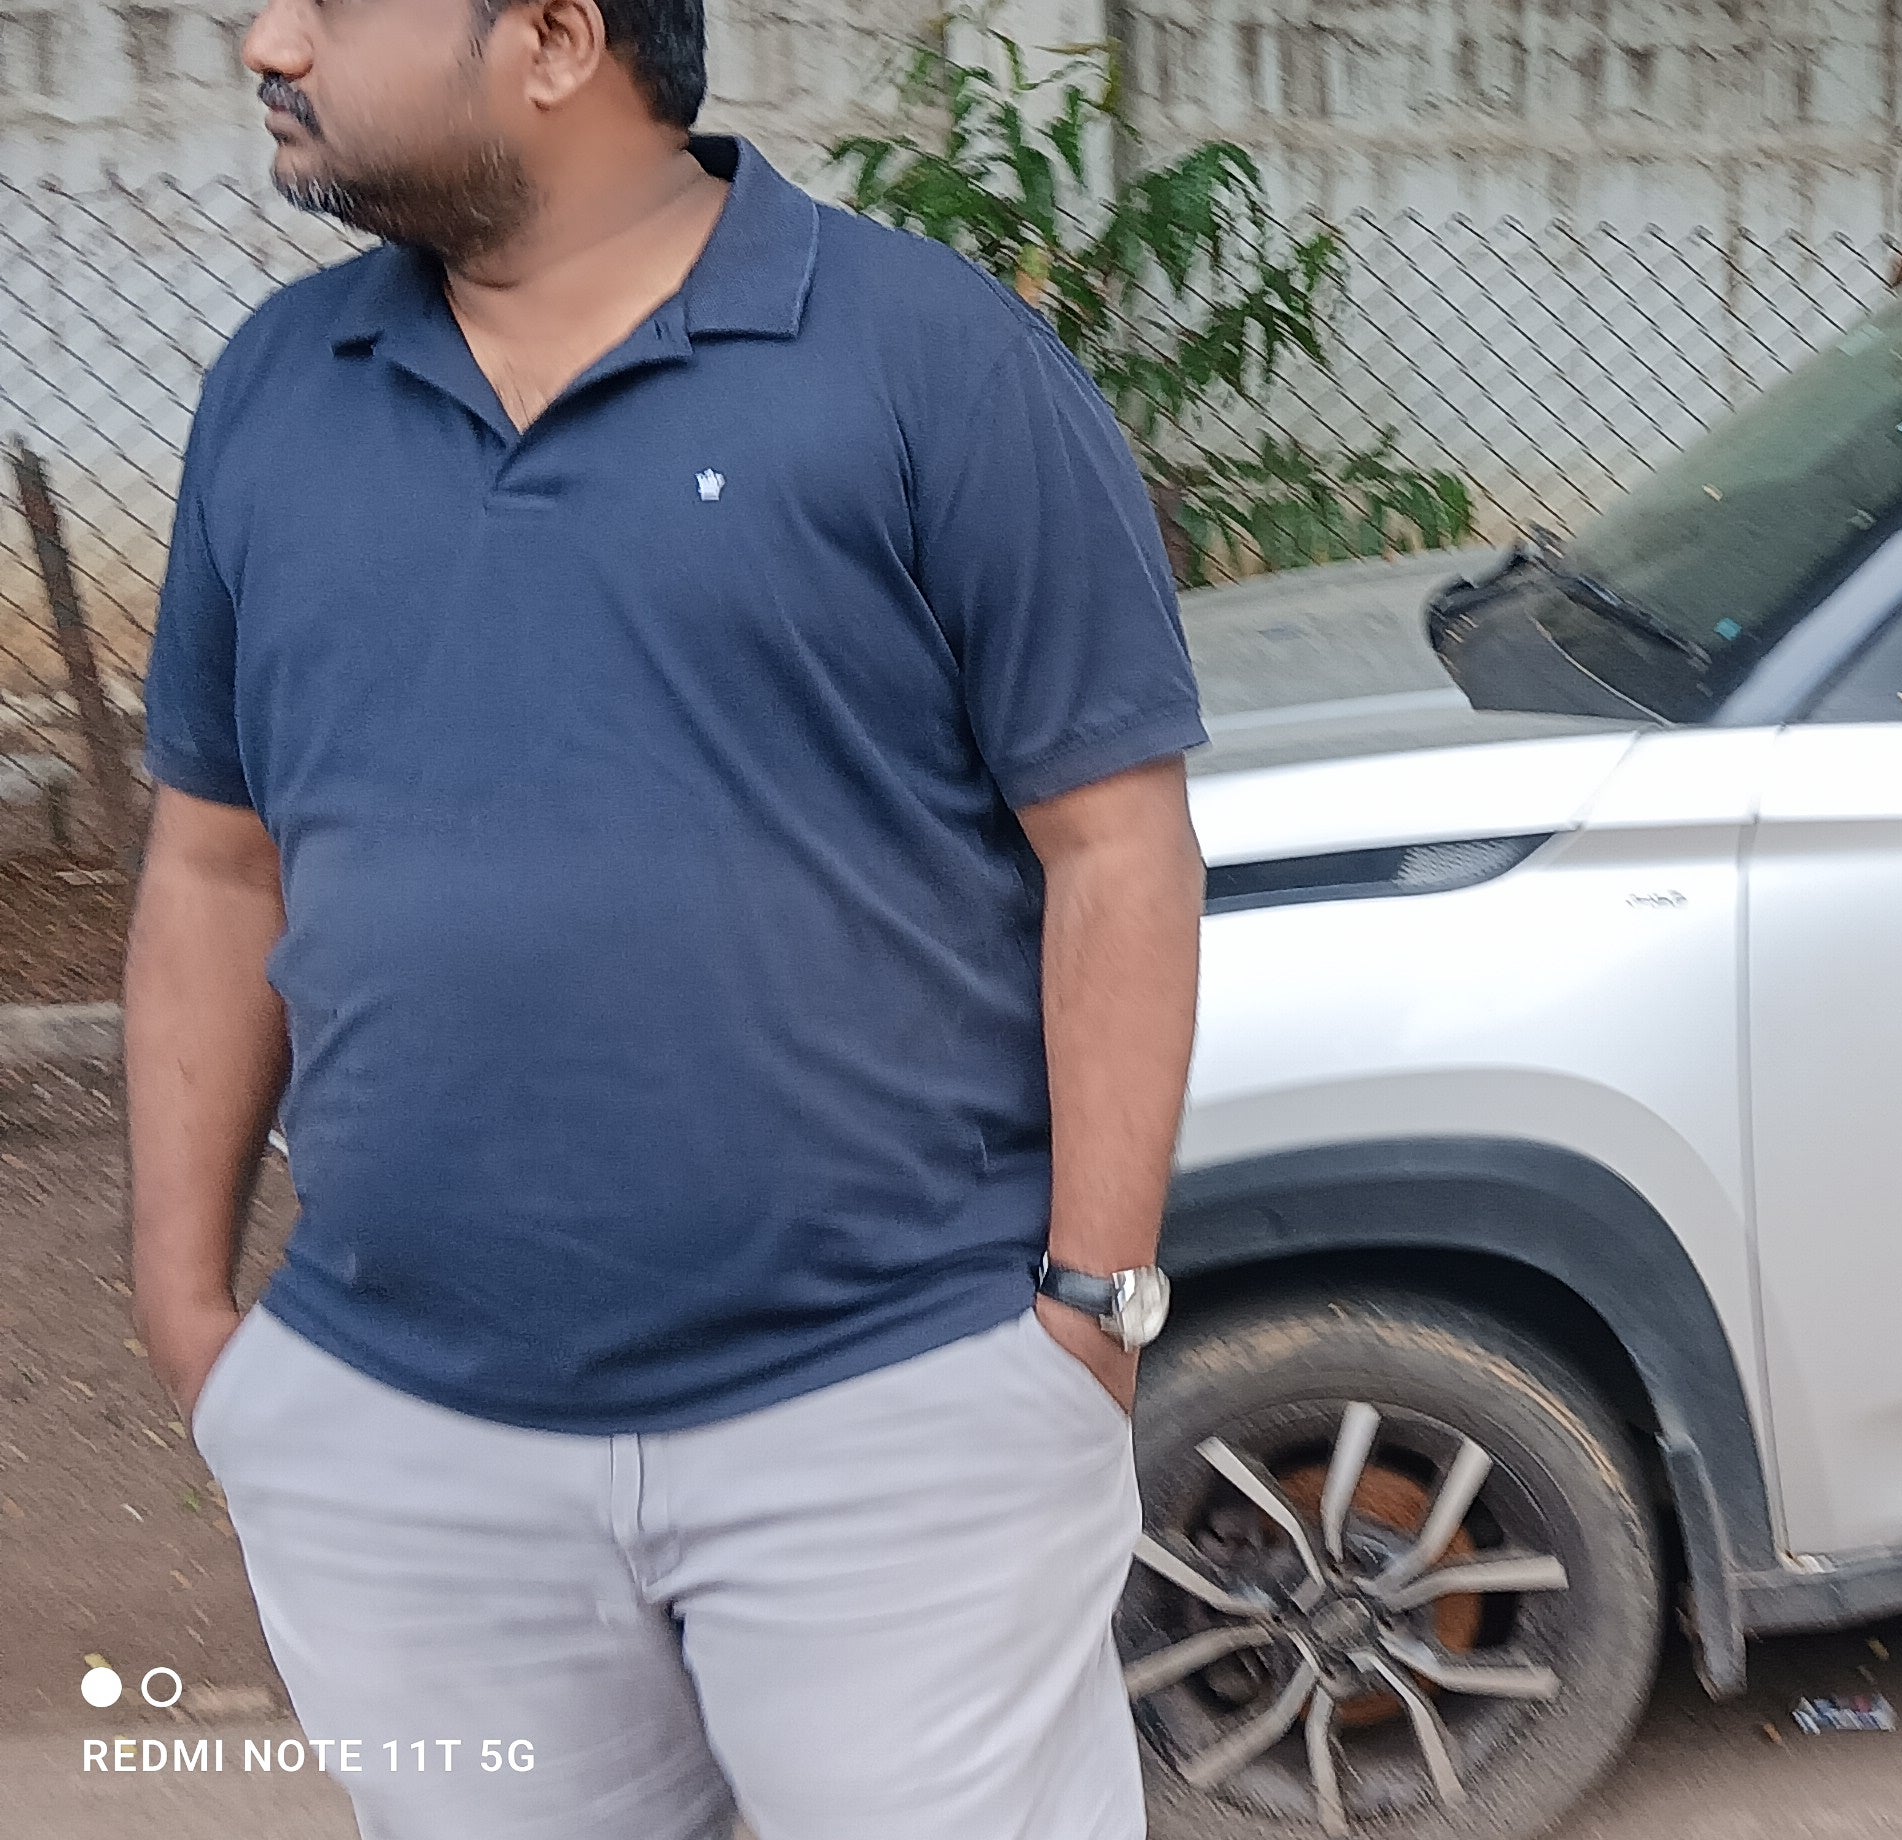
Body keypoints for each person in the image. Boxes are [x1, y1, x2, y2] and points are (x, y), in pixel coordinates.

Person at [126, 0, 1205, 1832]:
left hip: (888, 1421)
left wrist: (1086, 1318)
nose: (265, 42)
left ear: (554, 39)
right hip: (407, 1440)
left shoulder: (929, 364)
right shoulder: (277, 386)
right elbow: (216, 863)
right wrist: (192, 1317)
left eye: (329, 3)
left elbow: (1120, 850)